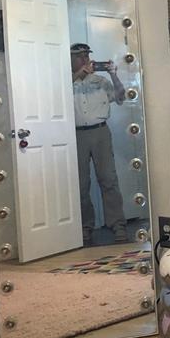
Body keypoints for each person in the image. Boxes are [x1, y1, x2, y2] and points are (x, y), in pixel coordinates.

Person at [71, 43, 127, 244]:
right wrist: (79, 74)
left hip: (100, 132)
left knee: (108, 179)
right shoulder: (65, 81)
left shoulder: (101, 81)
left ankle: (117, 225)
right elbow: (56, 95)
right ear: (71, 59)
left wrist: (113, 75)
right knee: (80, 183)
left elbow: (121, 97)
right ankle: (85, 227)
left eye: (86, 56)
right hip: (76, 135)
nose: (85, 60)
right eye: (80, 56)